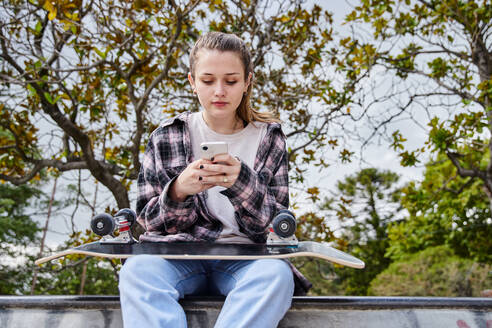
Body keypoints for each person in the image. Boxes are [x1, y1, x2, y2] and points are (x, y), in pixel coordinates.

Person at [119, 31, 311, 328]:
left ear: (247, 82)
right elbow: (149, 223)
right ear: (192, 82)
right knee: (136, 271)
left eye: (231, 81)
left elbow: (276, 228)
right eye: (208, 81)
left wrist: (242, 183)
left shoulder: (268, 138)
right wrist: (179, 190)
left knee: (276, 275)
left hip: (246, 257)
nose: (219, 90)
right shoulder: (165, 136)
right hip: (176, 254)